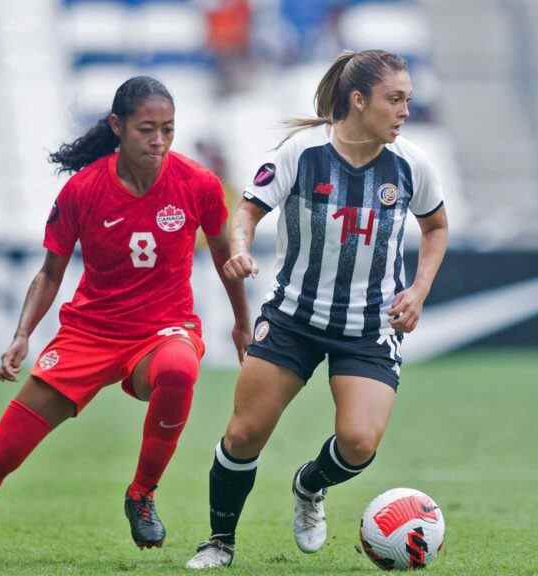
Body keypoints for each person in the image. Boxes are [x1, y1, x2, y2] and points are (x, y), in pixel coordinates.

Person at [0, 75, 251, 561]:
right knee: (2, 452)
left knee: (179, 368)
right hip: (90, 334)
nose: (159, 141)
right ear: (117, 126)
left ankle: (141, 494)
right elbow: (49, 273)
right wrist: (22, 335)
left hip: (162, 331)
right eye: (147, 129)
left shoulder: (199, 184)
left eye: (168, 129)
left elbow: (224, 257)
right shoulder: (83, 191)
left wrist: (242, 324)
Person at [185, 49, 449, 569]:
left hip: (369, 326)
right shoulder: (301, 154)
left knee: (357, 442)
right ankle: (220, 542)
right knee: (243, 434)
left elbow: (435, 227)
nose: (404, 111)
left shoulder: (412, 164)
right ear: (358, 99)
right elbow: (247, 211)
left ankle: (309, 485)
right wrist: (239, 248)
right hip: (293, 318)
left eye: (408, 101)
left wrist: (417, 291)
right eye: (394, 99)